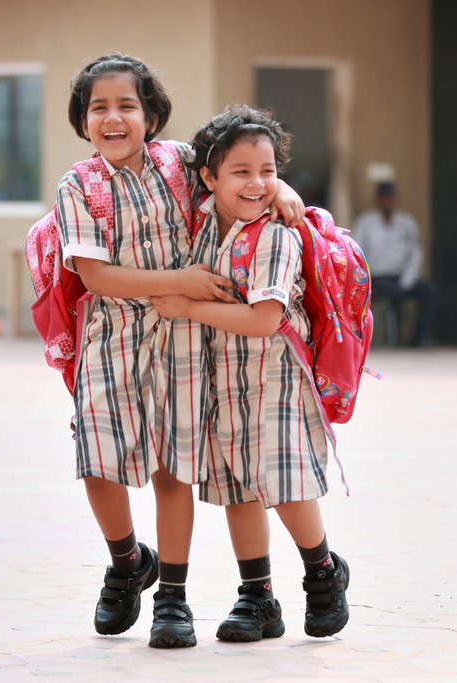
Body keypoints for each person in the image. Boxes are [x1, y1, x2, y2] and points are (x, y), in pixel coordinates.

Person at [57, 55, 303, 648]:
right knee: (97, 455)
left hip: (180, 340)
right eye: (99, 108)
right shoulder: (78, 186)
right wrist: (180, 281)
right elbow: (96, 278)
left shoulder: (179, 164)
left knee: (172, 467)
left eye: (127, 106)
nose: (113, 118)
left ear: (152, 115)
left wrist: (282, 185)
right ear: (83, 120)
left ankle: (172, 595)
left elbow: (239, 170)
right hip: (111, 337)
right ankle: (125, 562)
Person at [152, 105, 350, 642]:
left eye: (268, 171)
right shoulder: (199, 222)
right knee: (239, 485)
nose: (257, 183)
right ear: (208, 179)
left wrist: (186, 307)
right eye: (240, 171)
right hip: (220, 376)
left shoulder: (275, 235)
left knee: (282, 483)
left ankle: (323, 573)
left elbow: (265, 319)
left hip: (276, 378)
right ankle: (257, 595)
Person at [351, 182, 436, 346]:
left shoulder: (406, 223)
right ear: (377, 199)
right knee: (396, 294)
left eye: (390, 198)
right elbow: (357, 251)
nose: (387, 202)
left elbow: (415, 253)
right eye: (383, 198)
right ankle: (398, 340)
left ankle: (420, 338)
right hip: (377, 277)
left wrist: (408, 278)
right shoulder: (366, 223)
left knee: (429, 291)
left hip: (403, 276)